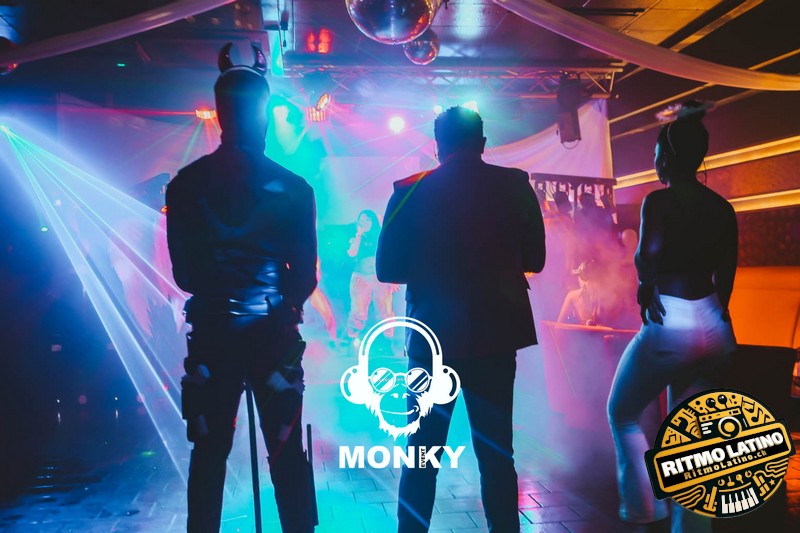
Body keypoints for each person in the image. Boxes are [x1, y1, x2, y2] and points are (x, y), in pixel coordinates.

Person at [166, 43, 317, 533]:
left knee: (209, 452)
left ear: (218, 115)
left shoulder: (185, 185)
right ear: (264, 116)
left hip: (212, 335)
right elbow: (306, 275)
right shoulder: (294, 187)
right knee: (286, 452)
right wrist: (282, 304)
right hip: (273, 335)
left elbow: (185, 276)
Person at [377, 106, 546, 533]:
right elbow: (536, 259)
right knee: (496, 454)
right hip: (495, 336)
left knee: (422, 453)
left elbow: (385, 268)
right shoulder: (515, 186)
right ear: (482, 143)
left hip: (432, 337)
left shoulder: (409, 190)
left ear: (437, 147)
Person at [607, 101, 737, 533]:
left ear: (667, 157)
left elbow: (648, 253)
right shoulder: (722, 208)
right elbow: (727, 274)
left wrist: (646, 282)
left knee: (622, 413)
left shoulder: (658, 201)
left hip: (672, 320)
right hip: (715, 324)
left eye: (656, 152)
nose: (654, 160)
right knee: (693, 436)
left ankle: (646, 512)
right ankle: (693, 527)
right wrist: (717, 314)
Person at [346, 209, 395, 342]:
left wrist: (392, 278)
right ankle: (352, 339)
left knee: (385, 310)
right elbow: (352, 253)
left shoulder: (381, 235)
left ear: (373, 221)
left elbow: (389, 254)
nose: (365, 222)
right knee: (358, 310)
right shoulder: (357, 236)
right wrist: (359, 235)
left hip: (380, 277)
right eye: (362, 220)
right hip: (360, 277)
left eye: (368, 220)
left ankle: (388, 340)